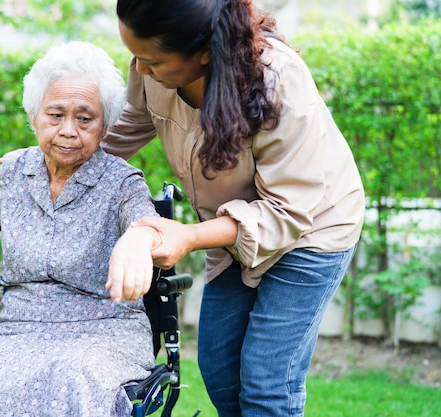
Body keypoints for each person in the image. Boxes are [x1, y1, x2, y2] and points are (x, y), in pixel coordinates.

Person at [100, 1, 366, 416]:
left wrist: (188, 237)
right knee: (220, 371)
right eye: (135, 56)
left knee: (265, 383)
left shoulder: (278, 81)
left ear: (205, 51)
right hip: (235, 233)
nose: (140, 70)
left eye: (152, 60)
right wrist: (52, 159)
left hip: (312, 230)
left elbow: (289, 210)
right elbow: (126, 129)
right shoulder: (151, 71)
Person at [0, 41, 163, 417]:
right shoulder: (13, 172)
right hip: (22, 328)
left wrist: (141, 240)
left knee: (73, 378)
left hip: (104, 329)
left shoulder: (122, 182)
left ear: (105, 125)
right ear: (34, 118)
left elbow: (148, 225)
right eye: (55, 115)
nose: (68, 131)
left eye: (84, 118)